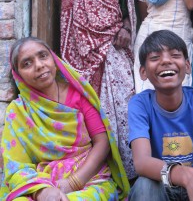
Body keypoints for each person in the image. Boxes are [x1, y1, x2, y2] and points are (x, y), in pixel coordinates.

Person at [0, 37, 130, 201]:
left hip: (89, 178)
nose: (39, 65)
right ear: (18, 75)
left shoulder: (78, 96)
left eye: (43, 56)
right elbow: (16, 165)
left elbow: (102, 142)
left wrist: (74, 182)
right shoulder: (18, 111)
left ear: (54, 60)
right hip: (42, 183)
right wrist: (42, 191)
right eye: (27, 63)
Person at [60, 0, 136, 179]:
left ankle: (128, 172)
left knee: (125, 108)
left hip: (115, 52)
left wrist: (125, 28)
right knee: (87, 114)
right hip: (83, 60)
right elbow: (68, 25)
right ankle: (92, 173)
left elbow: (128, 16)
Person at [128, 30, 193, 201]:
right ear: (143, 72)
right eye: (155, 58)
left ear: (187, 66)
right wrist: (186, 175)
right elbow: (141, 162)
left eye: (174, 55)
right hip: (162, 184)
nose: (166, 61)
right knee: (144, 187)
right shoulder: (140, 104)